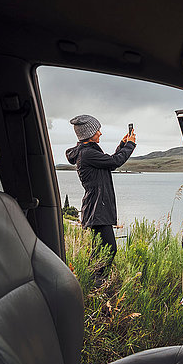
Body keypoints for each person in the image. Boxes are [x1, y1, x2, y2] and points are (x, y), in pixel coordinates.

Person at [66, 114, 136, 283]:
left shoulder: (88, 153)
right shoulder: (88, 154)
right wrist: (131, 144)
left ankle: (92, 283)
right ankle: (97, 283)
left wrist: (122, 145)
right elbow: (115, 162)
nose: (100, 134)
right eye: (98, 130)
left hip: (96, 207)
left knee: (100, 249)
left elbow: (109, 162)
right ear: (89, 134)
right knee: (108, 249)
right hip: (97, 208)